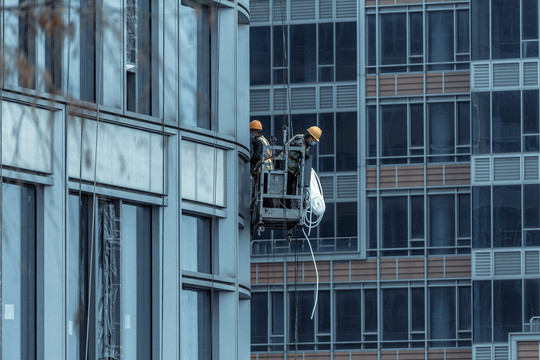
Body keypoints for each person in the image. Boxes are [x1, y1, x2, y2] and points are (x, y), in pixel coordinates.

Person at [284, 126, 322, 202]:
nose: (314, 142)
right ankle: (287, 204)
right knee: (287, 187)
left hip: (291, 168)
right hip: (284, 164)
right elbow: (302, 150)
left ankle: (289, 203)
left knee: (291, 187)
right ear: (310, 137)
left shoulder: (307, 145)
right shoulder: (299, 139)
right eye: (314, 140)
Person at [250, 120, 274, 207]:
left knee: (263, 192)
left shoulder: (258, 141)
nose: (250, 134)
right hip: (268, 170)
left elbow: (256, 156)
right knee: (266, 192)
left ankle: (270, 210)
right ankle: (270, 208)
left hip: (264, 170)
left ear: (256, 132)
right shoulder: (264, 139)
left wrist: (249, 163)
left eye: (251, 131)